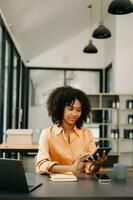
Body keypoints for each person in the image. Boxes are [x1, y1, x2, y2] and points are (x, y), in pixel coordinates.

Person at [35, 86, 107, 174]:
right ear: (60, 109)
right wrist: (71, 168)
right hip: (56, 184)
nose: (75, 114)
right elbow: (41, 165)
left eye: (78, 110)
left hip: (81, 184)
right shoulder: (47, 134)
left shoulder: (87, 133)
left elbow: (90, 167)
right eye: (70, 109)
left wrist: (97, 165)